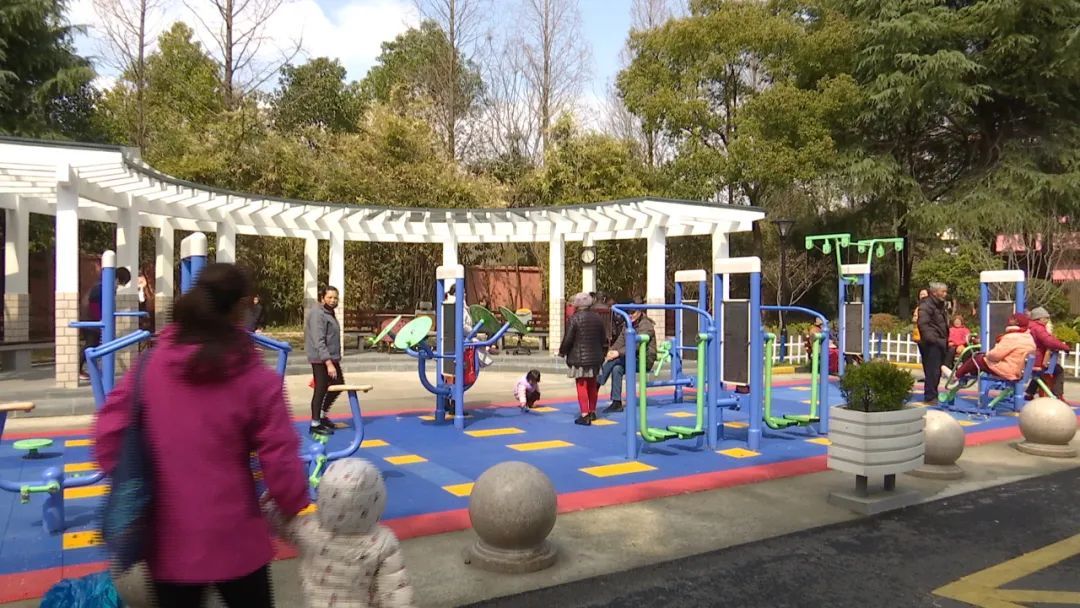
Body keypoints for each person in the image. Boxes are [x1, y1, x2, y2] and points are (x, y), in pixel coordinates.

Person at [93, 263, 310, 608]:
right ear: (240, 308)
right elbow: (280, 459)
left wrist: (135, 479)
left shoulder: (149, 367)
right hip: (237, 537)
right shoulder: (255, 378)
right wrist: (295, 503)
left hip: (167, 541)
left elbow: (107, 436)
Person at [262, 459, 415, 608]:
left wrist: (269, 500)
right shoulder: (383, 542)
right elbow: (396, 592)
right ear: (378, 499)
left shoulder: (306, 527)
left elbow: (278, 520)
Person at [558, 292, 607, 425]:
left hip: (579, 357)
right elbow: (603, 338)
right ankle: (592, 411)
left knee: (581, 385)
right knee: (592, 384)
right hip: (595, 357)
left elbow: (568, 339)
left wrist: (562, 352)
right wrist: (602, 353)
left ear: (577, 304)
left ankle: (584, 414)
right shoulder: (598, 318)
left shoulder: (574, 319)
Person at [598, 306, 656, 414]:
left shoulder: (646, 325)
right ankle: (616, 402)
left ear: (639, 312)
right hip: (632, 357)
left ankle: (598, 382)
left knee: (615, 360)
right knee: (617, 368)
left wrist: (618, 353)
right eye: (628, 312)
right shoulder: (628, 324)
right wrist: (612, 351)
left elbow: (636, 345)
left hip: (644, 359)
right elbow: (620, 340)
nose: (630, 315)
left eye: (633, 312)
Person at [80, 266, 133, 379]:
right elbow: (94, 303)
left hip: (92, 319)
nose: (118, 286)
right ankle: (79, 369)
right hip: (91, 320)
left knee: (93, 344)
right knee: (91, 344)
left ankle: (89, 369)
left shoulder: (103, 285)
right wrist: (101, 319)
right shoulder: (101, 287)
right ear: (117, 279)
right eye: (120, 284)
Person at [950, 314, 1035, 384]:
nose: (1009, 320)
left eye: (1012, 319)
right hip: (1018, 369)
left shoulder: (1011, 337)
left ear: (1016, 322)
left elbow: (995, 355)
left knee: (977, 359)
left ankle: (956, 376)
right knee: (979, 359)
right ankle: (967, 375)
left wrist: (987, 354)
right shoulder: (1028, 337)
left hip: (1009, 371)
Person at [306, 286, 343, 436]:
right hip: (320, 358)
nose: (333, 300)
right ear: (322, 298)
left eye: (335, 298)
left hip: (331, 357)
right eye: (329, 297)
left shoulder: (329, 312)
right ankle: (315, 424)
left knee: (338, 384)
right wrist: (328, 363)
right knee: (320, 389)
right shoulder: (318, 314)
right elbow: (318, 340)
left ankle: (321, 415)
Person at [1025, 307, 1070, 400]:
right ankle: (1058, 394)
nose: (1047, 320)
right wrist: (1065, 347)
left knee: (1039, 374)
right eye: (1046, 318)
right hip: (1036, 360)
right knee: (1058, 370)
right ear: (1039, 318)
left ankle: (1030, 393)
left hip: (1028, 360)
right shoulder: (1038, 328)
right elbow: (1049, 341)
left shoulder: (1029, 327)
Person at [917, 282, 950, 405]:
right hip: (931, 343)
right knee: (932, 370)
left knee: (936, 371)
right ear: (935, 292)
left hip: (940, 341)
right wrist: (933, 340)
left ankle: (933, 394)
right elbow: (923, 324)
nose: (945, 294)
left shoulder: (940, 305)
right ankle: (930, 396)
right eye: (943, 292)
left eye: (946, 291)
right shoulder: (926, 305)